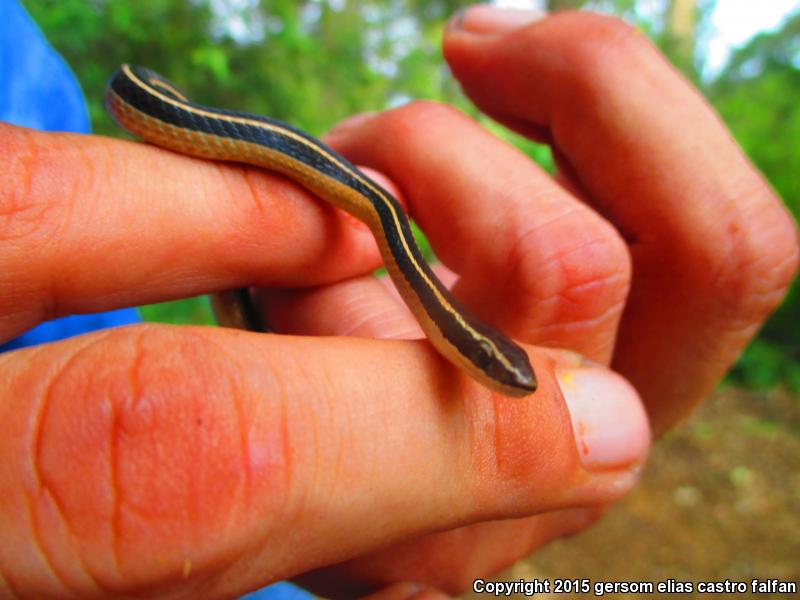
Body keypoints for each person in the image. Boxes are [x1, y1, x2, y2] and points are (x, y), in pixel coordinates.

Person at [0, 3, 797, 599]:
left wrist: (285, 538)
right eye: (498, 366)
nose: (508, 383)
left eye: (502, 371)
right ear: (471, 347)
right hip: (159, 108)